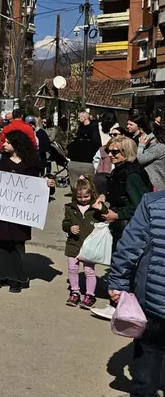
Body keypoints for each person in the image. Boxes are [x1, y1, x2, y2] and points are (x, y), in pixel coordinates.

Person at [106, 189, 165, 397]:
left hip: (152, 297)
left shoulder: (154, 203)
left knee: (148, 349)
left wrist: (118, 281)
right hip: (153, 297)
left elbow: (131, 244)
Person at [90, 135, 154, 321]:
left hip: (128, 227)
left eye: (115, 151)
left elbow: (141, 203)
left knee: (124, 266)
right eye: (109, 150)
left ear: (126, 152)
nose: (110, 154)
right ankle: (119, 304)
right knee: (121, 265)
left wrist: (117, 214)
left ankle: (119, 306)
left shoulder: (132, 173)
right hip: (122, 225)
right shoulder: (121, 170)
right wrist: (105, 198)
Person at [0, 130, 55, 293]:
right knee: (0, 245)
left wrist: (48, 183)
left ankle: (17, 277)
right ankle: (2, 274)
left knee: (16, 246)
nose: (3, 144)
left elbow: (39, 187)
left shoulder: (31, 164)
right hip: (1, 211)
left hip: (20, 214)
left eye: (7, 142)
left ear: (17, 144)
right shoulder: (0, 159)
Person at [61, 176, 107, 309]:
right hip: (74, 243)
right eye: (79, 197)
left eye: (86, 197)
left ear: (91, 193)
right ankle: (75, 291)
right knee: (72, 267)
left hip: (90, 245)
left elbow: (105, 213)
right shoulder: (70, 207)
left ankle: (89, 295)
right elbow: (65, 223)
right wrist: (69, 228)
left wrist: (101, 203)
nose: (83, 200)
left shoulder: (95, 207)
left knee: (89, 270)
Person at [138, 124, 165, 191]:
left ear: (151, 135)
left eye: (142, 133)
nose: (140, 136)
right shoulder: (147, 147)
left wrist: (141, 145)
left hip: (157, 187)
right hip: (149, 185)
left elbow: (141, 160)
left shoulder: (158, 147)